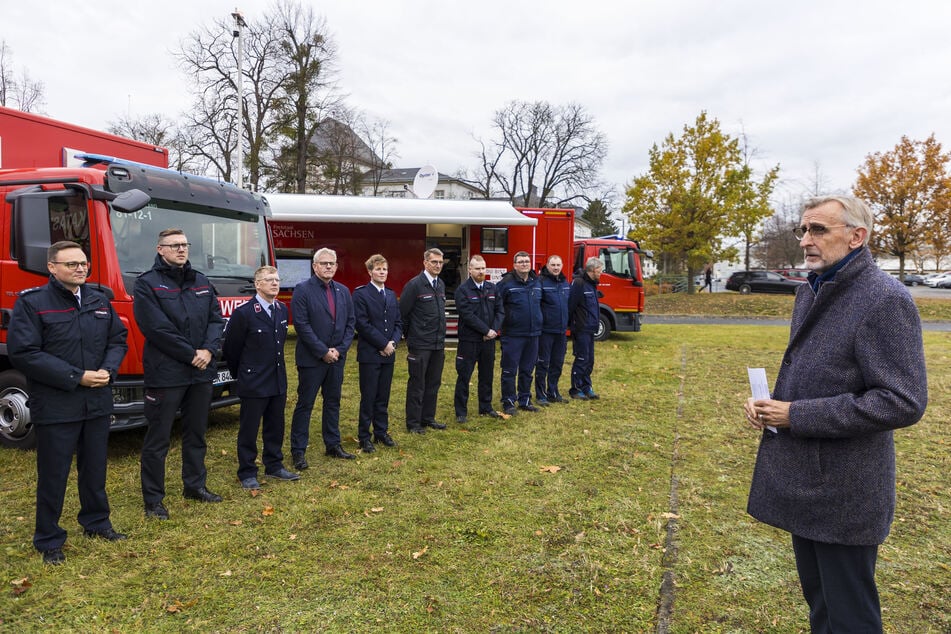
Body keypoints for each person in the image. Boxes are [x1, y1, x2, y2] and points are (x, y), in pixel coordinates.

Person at [743, 195, 927, 632]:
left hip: (846, 490)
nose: (806, 240)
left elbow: (903, 400)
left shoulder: (885, 300)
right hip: (806, 478)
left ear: (856, 237)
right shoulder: (812, 289)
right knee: (822, 605)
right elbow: (816, 371)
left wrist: (797, 415)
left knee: (850, 616)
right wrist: (770, 405)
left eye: (819, 230)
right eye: (803, 230)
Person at [8, 241, 128, 564]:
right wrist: (77, 376)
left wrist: (108, 369)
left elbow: (118, 339)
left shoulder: (99, 300)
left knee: (95, 469)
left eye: (83, 263)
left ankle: (97, 522)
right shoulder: (33, 304)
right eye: (72, 264)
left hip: (96, 403)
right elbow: (25, 352)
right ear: (52, 267)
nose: (80, 268)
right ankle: (48, 539)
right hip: (58, 405)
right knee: (54, 474)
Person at [135, 229, 225, 520]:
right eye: (175, 245)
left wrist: (209, 351)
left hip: (200, 372)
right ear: (160, 249)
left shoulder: (200, 280)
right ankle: (153, 500)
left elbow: (216, 318)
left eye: (185, 245)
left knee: (196, 433)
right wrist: (191, 354)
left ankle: (195, 486)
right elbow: (156, 328)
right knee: (158, 439)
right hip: (167, 373)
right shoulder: (147, 284)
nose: (181, 250)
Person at [222, 266, 299, 490]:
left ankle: (274, 465)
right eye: (269, 280)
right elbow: (232, 349)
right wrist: (243, 376)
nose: (275, 283)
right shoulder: (244, 313)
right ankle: (247, 471)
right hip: (253, 381)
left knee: (275, 425)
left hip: (277, 379)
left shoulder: (282, 310)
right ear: (258, 284)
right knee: (249, 428)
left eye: (277, 279)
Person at [290, 248, 356, 464]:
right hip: (312, 360)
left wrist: (339, 350)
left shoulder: (344, 291)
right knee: (305, 404)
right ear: (314, 266)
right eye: (324, 263)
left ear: (337, 266)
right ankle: (298, 451)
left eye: (332, 263)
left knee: (333, 402)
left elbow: (350, 324)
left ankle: (333, 444)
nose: (329, 266)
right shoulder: (302, 290)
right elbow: (301, 324)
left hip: (337, 358)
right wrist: (323, 352)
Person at [352, 254, 402, 452]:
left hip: (389, 353)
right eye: (379, 269)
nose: (382, 272)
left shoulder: (390, 294)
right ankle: (365, 436)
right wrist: (382, 344)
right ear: (370, 272)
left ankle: (381, 432)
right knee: (369, 396)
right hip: (370, 354)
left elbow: (398, 322)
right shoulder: (361, 294)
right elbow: (362, 324)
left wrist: (393, 343)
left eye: (385, 269)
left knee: (383, 396)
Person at [399, 248, 448, 434]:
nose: (437, 265)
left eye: (440, 262)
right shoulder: (415, 285)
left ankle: (428, 418)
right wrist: (410, 337)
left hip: (437, 344)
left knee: (433, 383)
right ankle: (413, 423)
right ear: (425, 263)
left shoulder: (440, 284)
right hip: (420, 344)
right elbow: (403, 313)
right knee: (417, 384)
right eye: (434, 262)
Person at [453, 255, 504, 423]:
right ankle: (461, 412)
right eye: (477, 268)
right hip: (469, 340)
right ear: (470, 270)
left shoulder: (492, 288)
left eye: (483, 268)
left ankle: (485, 406)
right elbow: (467, 315)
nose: (481, 271)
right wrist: (485, 330)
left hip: (488, 341)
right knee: (464, 376)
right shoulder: (462, 290)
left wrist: (494, 330)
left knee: (486, 375)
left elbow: (500, 311)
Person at [497, 251, 543, 415]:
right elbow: (497, 305)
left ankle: (525, 400)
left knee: (527, 369)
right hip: (513, 334)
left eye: (527, 261)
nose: (524, 264)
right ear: (515, 265)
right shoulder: (506, 283)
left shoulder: (536, 282)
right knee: (509, 370)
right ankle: (509, 402)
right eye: (521, 261)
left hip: (533, 334)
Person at [535, 255, 571, 405]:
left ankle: (553, 392)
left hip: (561, 331)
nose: (556, 268)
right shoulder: (541, 282)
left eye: (558, 265)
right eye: (553, 265)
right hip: (546, 331)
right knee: (543, 363)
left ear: (562, 265)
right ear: (547, 266)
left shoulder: (565, 283)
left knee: (557, 362)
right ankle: (541, 395)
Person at [568, 257, 603, 400]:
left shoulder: (592, 284)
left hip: (590, 329)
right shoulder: (579, 283)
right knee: (581, 359)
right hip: (581, 328)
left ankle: (586, 387)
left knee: (589, 360)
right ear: (593, 270)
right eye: (600, 270)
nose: (601, 273)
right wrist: (571, 326)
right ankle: (575, 389)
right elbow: (571, 305)